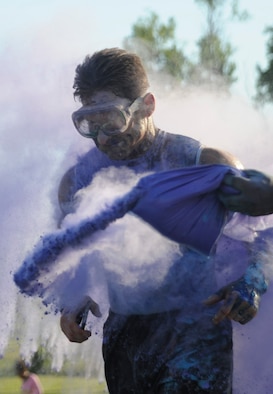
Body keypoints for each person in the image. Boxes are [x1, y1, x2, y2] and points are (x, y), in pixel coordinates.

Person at [58, 48, 270, 393]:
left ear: (147, 105)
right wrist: (72, 300)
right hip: (125, 341)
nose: (103, 138)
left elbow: (265, 231)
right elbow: (72, 255)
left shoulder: (202, 163)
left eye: (111, 120)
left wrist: (251, 282)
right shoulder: (78, 181)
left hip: (196, 335)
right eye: (90, 125)